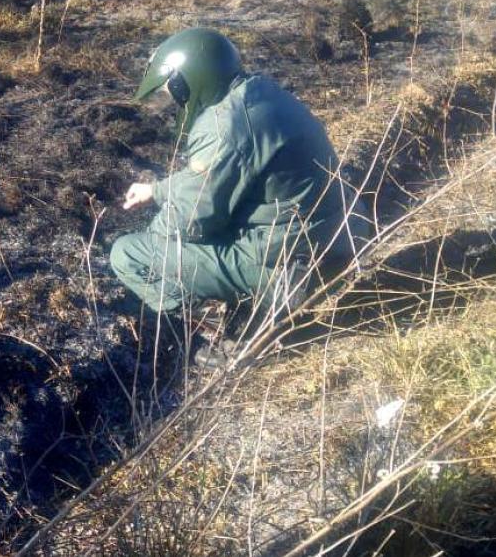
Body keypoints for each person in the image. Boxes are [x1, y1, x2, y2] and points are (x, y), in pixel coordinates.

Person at [111, 27, 371, 368]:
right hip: (338, 238)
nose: (173, 104)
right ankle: (261, 295)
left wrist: (158, 246)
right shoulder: (260, 93)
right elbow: (226, 173)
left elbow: (189, 223)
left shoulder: (223, 126)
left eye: (171, 94)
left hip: (296, 264)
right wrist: (157, 190)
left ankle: (231, 332)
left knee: (128, 254)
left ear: (187, 81)